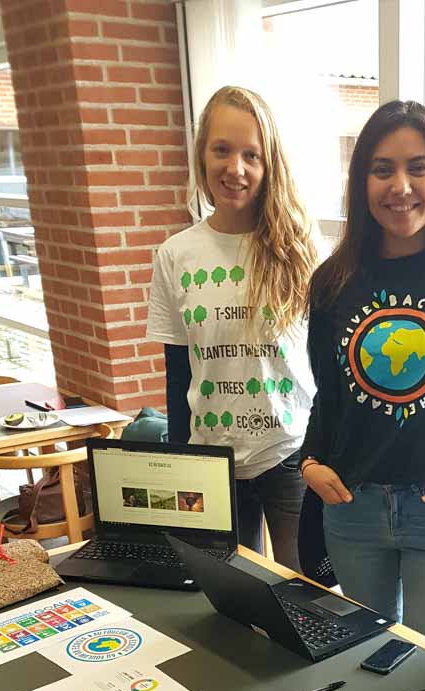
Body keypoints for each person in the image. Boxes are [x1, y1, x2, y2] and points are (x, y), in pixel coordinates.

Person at [299, 100, 425, 639]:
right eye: (382, 169)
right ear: (361, 182)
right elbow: (328, 395)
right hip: (352, 504)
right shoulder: (332, 282)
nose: (401, 186)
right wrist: (309, 462)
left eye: (418, 167)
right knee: (363, 654)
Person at [146, 85, 319, 570]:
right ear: (202, 154)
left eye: (251, 155)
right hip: (212, 461)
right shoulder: (175, 255)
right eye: (221, 150)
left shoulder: (301, 249)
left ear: (269, 165)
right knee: (235, 591)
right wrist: (181, 464)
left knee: (305, 591)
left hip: (290, 451)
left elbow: (327, 361)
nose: (235, 168)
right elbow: (178, 373)